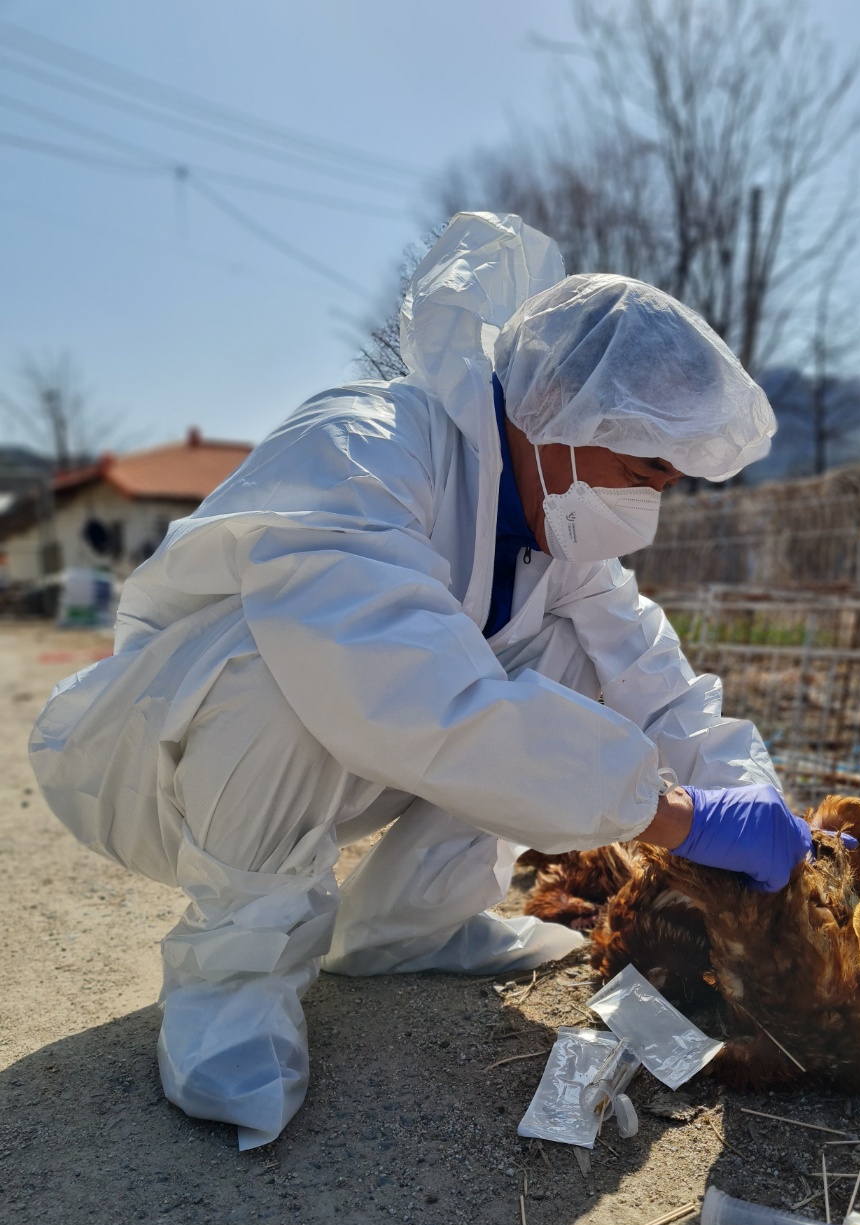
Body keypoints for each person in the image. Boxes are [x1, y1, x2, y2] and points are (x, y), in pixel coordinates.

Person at [29, 211, 808, 1151]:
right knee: (286, 660)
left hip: (353, 755)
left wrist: (746, 789)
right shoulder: (368, 447)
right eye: (647, 466)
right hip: (175, 765)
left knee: (574, 662)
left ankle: (409, 925)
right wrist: (671, 815)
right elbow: (403, 688)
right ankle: (231, 984)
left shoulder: (562, 541)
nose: (653, 498)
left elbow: (655, 680)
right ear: (556, 408)